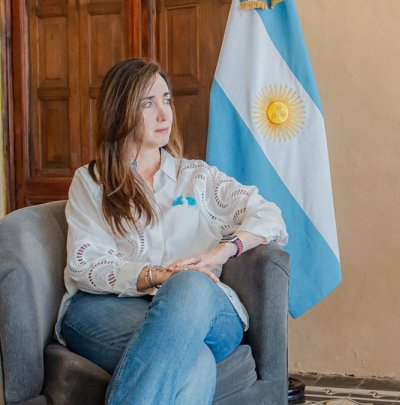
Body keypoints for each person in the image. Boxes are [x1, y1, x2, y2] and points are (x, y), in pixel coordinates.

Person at [54, 58, 288, 404]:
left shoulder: (198, 178)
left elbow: (270, 215)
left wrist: (220, 252)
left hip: (208, 310)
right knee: (193, 363)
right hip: (108, 309)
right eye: (148, 103)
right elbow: (85, 264)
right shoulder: (91, 183)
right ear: (120, 110)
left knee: (189, 283)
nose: (164, 115)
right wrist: (154, 275)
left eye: (166, 100)